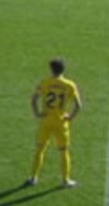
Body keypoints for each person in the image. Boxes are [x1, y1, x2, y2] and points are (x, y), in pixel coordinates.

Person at [26, 58, 83, 188]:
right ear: (63, 69)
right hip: (61, 122)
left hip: (46, 121)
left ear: (51, 69)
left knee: (40, 149)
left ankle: (33, 178)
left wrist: (37, 113)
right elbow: (79, 105)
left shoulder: (45, 83)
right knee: (63, 151)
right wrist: (70, 117)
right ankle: (65, 180)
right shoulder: (70, 85)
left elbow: (34, 100)